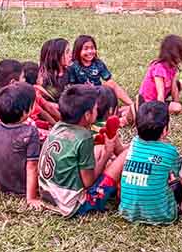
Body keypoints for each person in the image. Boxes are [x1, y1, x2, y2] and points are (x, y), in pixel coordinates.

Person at [38, 85, 127, 217]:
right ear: (87, 115)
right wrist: (107, 154)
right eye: (96, 109)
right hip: (73, 206)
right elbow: (89, 183)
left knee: (98, 150)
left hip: (48, 197)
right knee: (125, 155)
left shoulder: (57, 127)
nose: (98, 111)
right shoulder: (83, 137)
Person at [0, 82, 42, 208]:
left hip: (3, 186)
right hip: (23, 187)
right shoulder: (30, 132)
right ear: (25, 111)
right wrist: (31, 198)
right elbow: (32, 166)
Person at [118, 101, 182, 224]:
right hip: (163, 215)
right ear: (165, 130)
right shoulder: (170, 151)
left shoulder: (134, 143)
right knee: (179, 184)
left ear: (136, 128)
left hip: (127, 212)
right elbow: (180, 173)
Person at [67, 35, 135, 122]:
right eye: (86, 48)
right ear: (78, 50)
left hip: (98, 94)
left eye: (92, 48)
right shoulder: (73, 66)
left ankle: (132, 105)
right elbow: (71, 87)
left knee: (111, 84)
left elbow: (108, 80)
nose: (90, 51)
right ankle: (117, 114)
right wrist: (85, 88)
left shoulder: (98, 63)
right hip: (82, 96)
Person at [137, 35, 182, 115]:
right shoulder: (159, 69)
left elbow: (174, 88)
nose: (180, 60)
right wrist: (162, 112)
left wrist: (176, 102)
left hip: (161, 93)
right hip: (148, 101)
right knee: (177, 108)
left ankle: (171, 105)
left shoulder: (172, 66)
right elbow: (160, 94)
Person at [22, 61, 58, 130]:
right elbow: (44, 112)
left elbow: (47, 106)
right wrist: (56, 126)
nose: (42, 77)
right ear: (35, 79)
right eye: (40, 75)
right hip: (33, 124)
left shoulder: (35, 90)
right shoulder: (32, 93)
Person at [39, 38, 72, 102]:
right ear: (56, 56)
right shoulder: (47, 80)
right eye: (67, 52)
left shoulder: (69, 71)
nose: (71, 55)